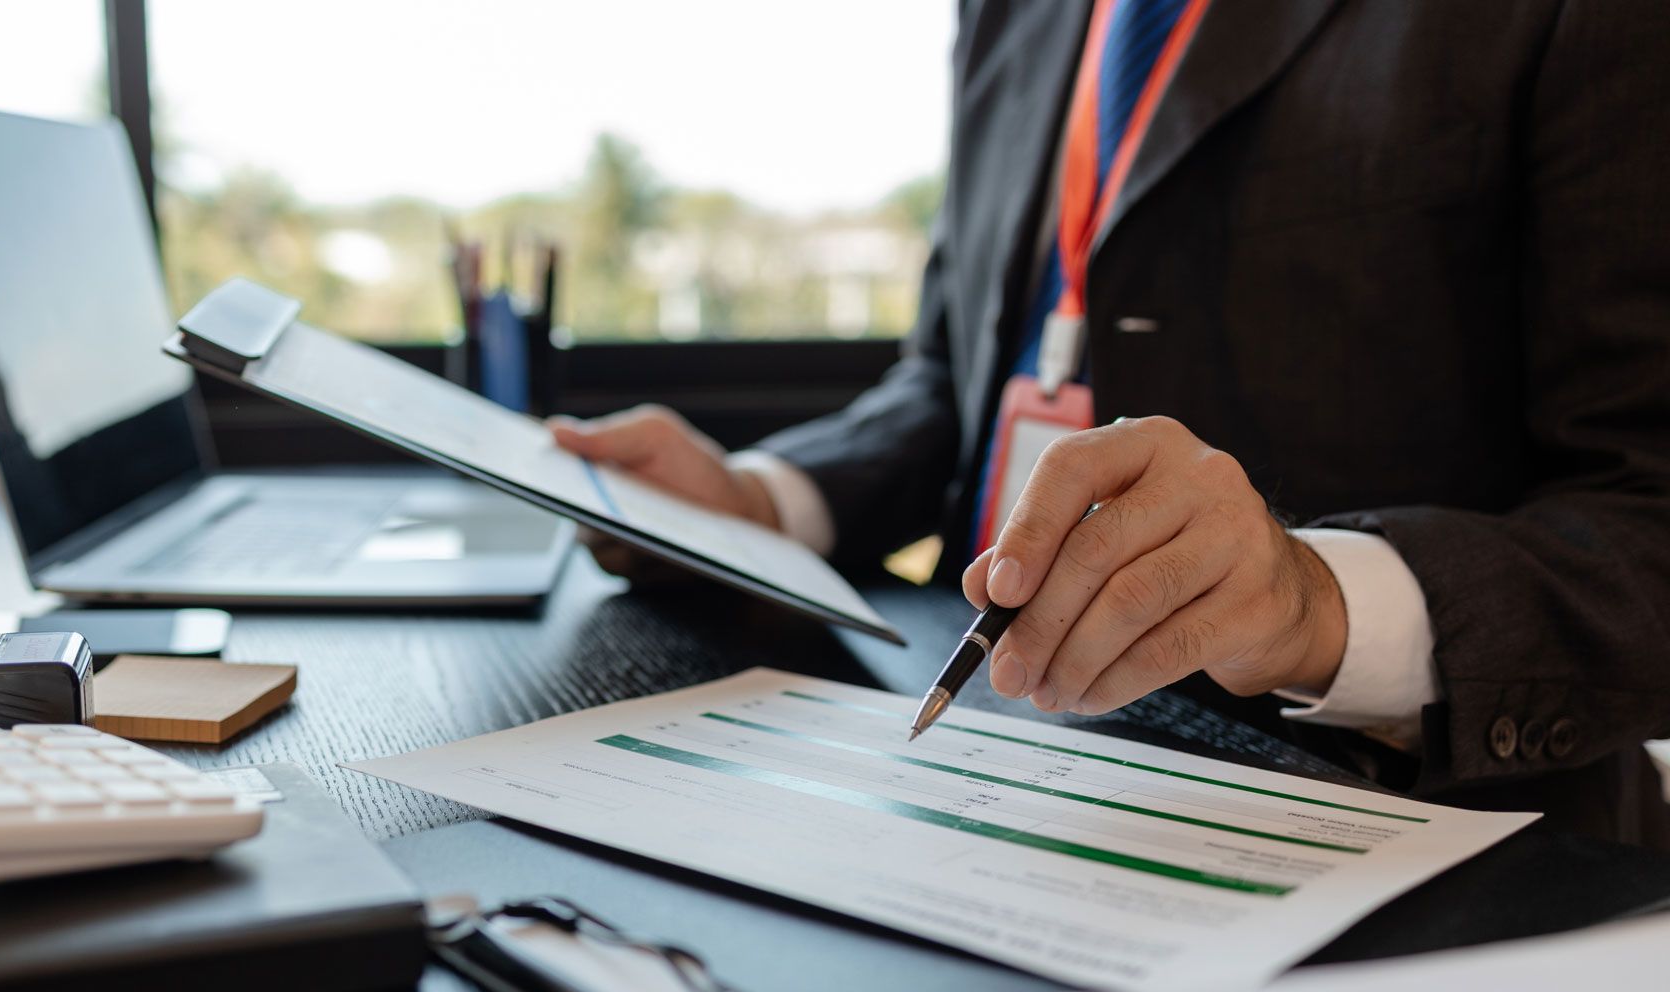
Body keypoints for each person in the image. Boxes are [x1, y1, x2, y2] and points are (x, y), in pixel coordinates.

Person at [551, 0, 1670, 846]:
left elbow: (1649, 502)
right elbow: (958, 378)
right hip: (993, 774)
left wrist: (1315, 602)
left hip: (1415, 836)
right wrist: (760, 502)